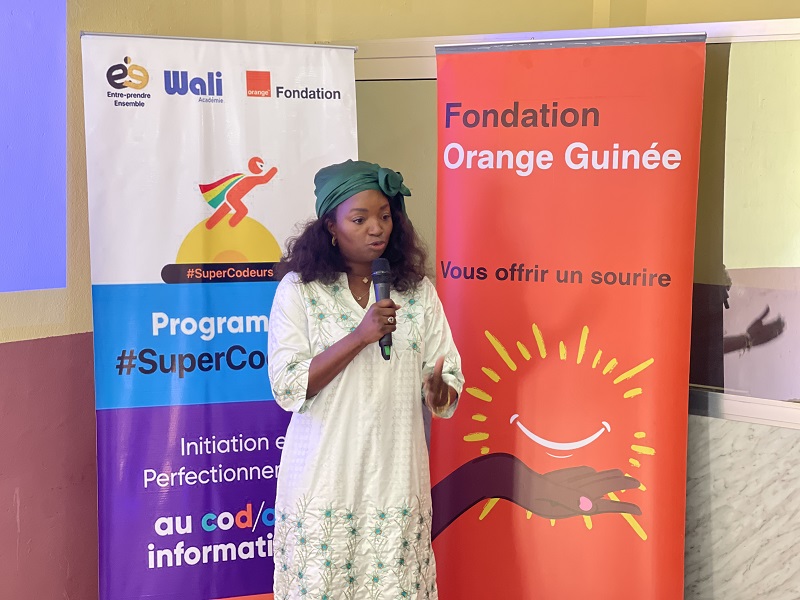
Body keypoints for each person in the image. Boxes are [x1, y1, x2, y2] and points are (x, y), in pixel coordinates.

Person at [267, 159, 464, 600]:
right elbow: (287, 385)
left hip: (396, 481)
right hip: (323, 482)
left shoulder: (417, 292)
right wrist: (360, 336)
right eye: (359, 219)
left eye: (385, 216)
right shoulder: (300, 290)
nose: (377, 229)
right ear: (331, 227)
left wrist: (439, 391)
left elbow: (445, 374)